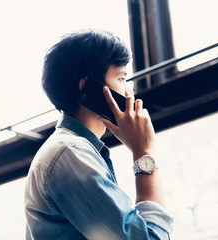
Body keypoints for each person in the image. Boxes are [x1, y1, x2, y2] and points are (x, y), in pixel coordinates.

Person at [24, 29, 173, 240]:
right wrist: (143, 153)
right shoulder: (70, 152)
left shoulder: (71, 149)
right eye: (121, 79)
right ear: (88, 87)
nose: (129, 92)